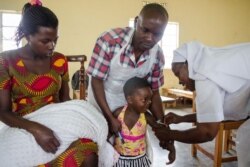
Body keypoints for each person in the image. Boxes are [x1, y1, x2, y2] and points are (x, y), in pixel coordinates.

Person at [0, 1, 98, 166]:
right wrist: (36, 129)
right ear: (27, 35)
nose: (52, 46)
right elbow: (3, 112)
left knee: (89, 152)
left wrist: (77, 121)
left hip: (58, 121)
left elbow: (65, 101)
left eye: (55, 40)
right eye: (45, 41)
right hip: (23, 124)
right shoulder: (6, 61)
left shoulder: (59, 60)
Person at [153, 41, 250, 167]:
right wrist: (181, 118)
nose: (180, 82)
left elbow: (207, 132)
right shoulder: (208, 66)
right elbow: (212, 115)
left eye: (178, 74)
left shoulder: (203, 75)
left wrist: (170, 134)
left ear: (188, 64)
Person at [87, 3, 169, 136]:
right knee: (102, 145)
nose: (150, 38)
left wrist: (162, 126)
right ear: (137, 22)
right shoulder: (109, 41)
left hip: (131, 108)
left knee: (132, 148)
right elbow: (96, 81)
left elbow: (154, 93)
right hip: (102, 101)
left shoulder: (157, 56)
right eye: (145, 30)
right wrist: (110, 117)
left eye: (157, 34)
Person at [112, 77, 175, 167]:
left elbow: (160, 128)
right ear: (130, 99)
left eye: (150, 99)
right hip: (119, 160)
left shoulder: (145, 116)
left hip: (140, 161)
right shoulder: (118, 114)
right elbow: (109, 132)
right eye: (144, 100)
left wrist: (171, 147)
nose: (149, 103)